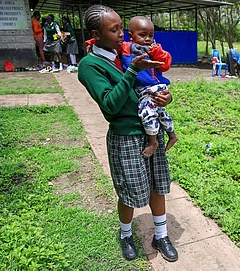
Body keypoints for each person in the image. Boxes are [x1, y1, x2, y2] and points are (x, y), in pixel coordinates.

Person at [78, 5, 178, 262]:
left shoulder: (124, 54)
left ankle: (161, 234)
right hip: (125, 137)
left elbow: (149, 82)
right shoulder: (91, 65)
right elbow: (110, 104)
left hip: (149, 130)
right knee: (129, 192)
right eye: (115, 30)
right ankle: (125, 235)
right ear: (95, 34)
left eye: (122, 28)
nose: (122, 34)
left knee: (158, 186)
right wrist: (133, 69)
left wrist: (163, 97)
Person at [121, 16, 178, 158]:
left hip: (152, 88)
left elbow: (165, 65)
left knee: (147, 112)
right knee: (161, 113)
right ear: (131, 35)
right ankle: (172, 135)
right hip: (147, 89)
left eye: (151, 35)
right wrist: (92, 42)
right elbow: (108, 44)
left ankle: (153, 142)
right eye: (142, 35)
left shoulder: (154, 49)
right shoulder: (126, 48)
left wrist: (157, 53)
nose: (147, 39)